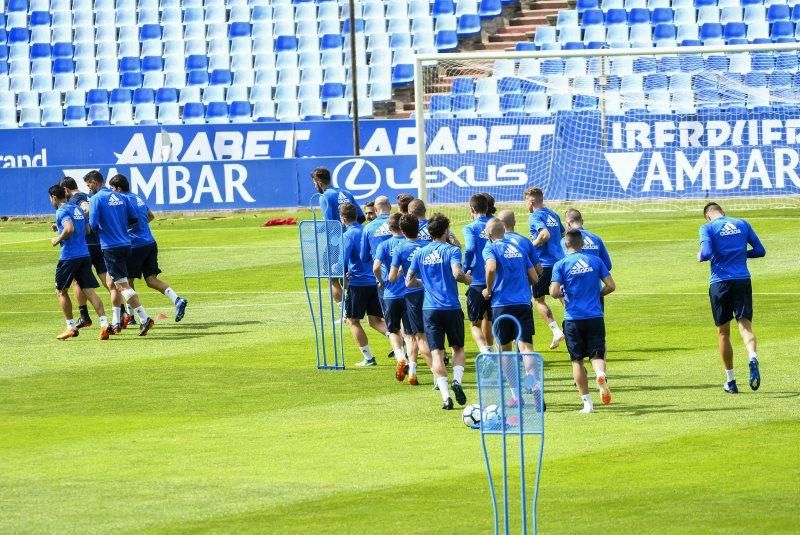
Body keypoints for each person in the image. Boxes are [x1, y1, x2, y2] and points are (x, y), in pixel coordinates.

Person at [697, 202, 765, 394]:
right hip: (742, 280)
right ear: (722, 212)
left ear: (708, 216)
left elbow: (707, 253)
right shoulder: (742, 224)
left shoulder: (707, 228)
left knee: (723, 332)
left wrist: (700, 256)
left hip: (720, 283)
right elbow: (760, 250)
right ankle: (752, 356)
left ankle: (731, 381)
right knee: (745, 326)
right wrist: (741, 254)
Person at [406, 214, 472, 410]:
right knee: (458, 349)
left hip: (429, 309)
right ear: (445, 230)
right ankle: (457, 381)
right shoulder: (451, 250)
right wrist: (468, 279)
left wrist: (424, 283)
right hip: (450, 307)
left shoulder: (420, 253)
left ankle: (445, 397)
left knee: (436, 353)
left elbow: (408, 282)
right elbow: (457, 274)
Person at [550, 229, 616, 413]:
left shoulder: (561, 264)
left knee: (577, 360)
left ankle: (587, 403)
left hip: (573, 318)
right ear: (583, 244)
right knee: (597, 355)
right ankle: (601, 375)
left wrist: (564, 293)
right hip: (595, 315)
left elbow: (554, 292)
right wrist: (597, 295)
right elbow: (611, 285)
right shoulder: (595, 261)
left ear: (566, 244)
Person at [108, 175, 188, 322]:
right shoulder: (137, 197)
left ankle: (131, 316)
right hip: (150, 243)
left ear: (118, 188)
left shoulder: (123, 200)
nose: (111, 192)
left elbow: (130, 221)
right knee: (151, 279)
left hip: (135, 245)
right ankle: (177, 299)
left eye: (112, 189)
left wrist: (128, 231)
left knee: (127, 280)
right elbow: (150, 215)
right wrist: (141, 228)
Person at [84, 170, 154, 336]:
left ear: (94, 182)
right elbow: (133, 219)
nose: (89, 189)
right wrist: (118, 227)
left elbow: (93, 225)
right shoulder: (122, 197)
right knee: (111, 282)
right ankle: (116, 321)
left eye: (89, 185)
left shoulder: (95, 199)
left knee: (122, 285)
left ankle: (144, 318)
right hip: (126, 244)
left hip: (111, 247)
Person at [482, 218, 540, 407]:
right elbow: (534, 277)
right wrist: (522, 288)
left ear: (489, 234)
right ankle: (534, 383)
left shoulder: (490, 248)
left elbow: (490, 267)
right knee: (526, 347)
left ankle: (517, 396)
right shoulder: (519, 248)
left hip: (502, 304)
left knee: (504, 350)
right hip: (523, 303)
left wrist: (489, 289)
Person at [48, 184, 110, 341]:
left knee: (61, 291)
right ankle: (104, 324)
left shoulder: (61, 210)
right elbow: (87, 230)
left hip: (69, 257)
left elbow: (69, 229)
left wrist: (57, 239)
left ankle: (70, 327)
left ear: (54, 197)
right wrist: (59, 227)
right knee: (89, 291)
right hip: (84, 254)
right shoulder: (77, 209)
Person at [339, 202, 388, 367]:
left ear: (342, 218)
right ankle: (400, 340)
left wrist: (341, 277)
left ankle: (368, 358)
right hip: (373, 281)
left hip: (358, 283)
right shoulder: (366, 229)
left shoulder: (348, 235)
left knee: (352, 320)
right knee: (375, 320)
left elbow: (343, 261)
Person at [389, 214, 432, 386]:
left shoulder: (400, 248)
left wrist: (399, 272)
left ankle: (436, 374)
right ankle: (412, 372)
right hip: (430, 294)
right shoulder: (428, 245)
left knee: (414, 336)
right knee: (426, 335)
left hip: (411, 296)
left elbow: (392, 277)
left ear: (402, 230)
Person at [310, 166, 364, 303]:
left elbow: (329, 223)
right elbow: (361, 216)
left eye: (314, 183)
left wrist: (316, 228)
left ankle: (344, 313)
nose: (314, 186)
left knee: (332, 277)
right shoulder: (346, 193)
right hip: (354, 239)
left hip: (335, 242)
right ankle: (354, 307)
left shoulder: (325, 196)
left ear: (318, 183)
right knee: (349, 274)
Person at [525, 187, 566, 350]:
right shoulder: (553, 214)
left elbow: (544, 235)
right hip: (560, 261)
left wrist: (530, 247)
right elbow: (563, 235)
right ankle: (575, 326)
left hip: (543, 264)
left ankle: (556, 331)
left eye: (526, 201)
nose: (525, 204)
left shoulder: (535, 216)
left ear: (531, 201)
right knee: (562, 295)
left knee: (538, 299)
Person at [373, 213, 411, 381]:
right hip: (410, 293)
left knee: (393, 329)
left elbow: (375, 267)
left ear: (389, 228)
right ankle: (411, 359)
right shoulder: (410, 243)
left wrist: (382, 281)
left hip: (391, 294)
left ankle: (400, 357)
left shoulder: (384, 245)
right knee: (409, 331)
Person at [463, 194, 494, 354]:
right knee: (489, 319)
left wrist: (466, 267)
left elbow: (469, 248)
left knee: (475, 323)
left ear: (472, 209)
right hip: (495, 281)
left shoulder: (470, 228)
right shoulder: (496, 224)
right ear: (487, 207)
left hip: (477, 281)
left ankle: (484, 350)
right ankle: (491, 349)